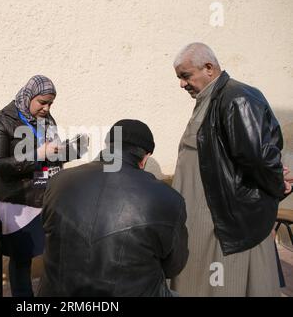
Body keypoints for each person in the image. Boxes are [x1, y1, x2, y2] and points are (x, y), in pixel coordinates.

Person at [170, 42, 293, 296]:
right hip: (207, 220)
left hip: (224, 224)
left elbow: (257, 157)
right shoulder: (212, 98)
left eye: (185, 76)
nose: (181, 84)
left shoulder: (237, 98)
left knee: (227, 286)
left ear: (209, 68)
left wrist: (278, 186)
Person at [37, 119, 189, 297]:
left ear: (108, 145)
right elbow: (173, 267)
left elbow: (48, 235)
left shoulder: (58, 182)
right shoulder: (168, 198)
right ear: (145, 157)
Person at [0, 75, 85, 297]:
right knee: (22, 259)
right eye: (42, 102)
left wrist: (70, 149)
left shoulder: (47, 119)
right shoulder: (1, 120)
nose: (47, 108)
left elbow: (52, 155)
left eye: (51, 103)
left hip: (47, 197)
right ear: (29, 96)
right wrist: (37, 154)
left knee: (53, 253)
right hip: (18, 201)